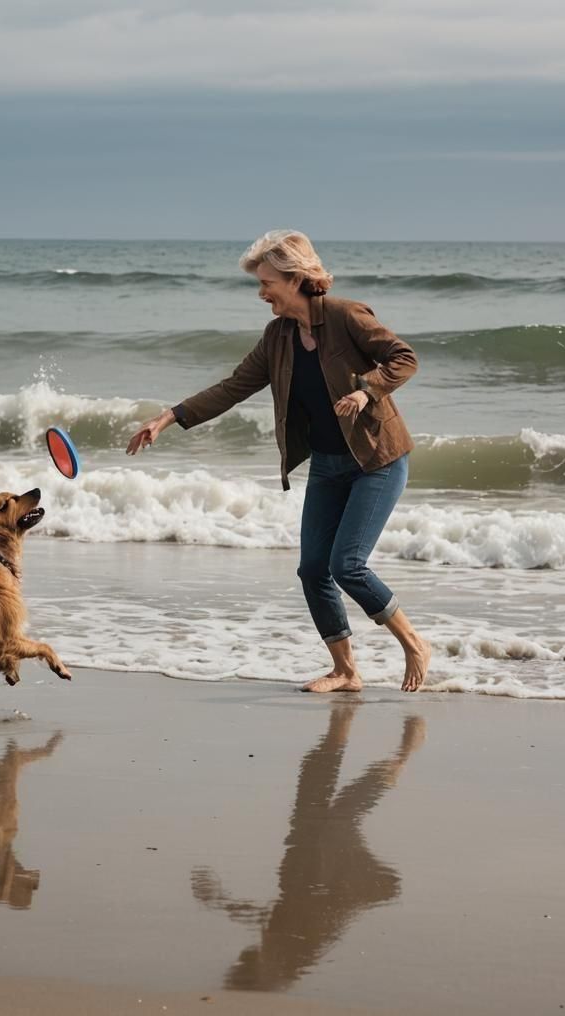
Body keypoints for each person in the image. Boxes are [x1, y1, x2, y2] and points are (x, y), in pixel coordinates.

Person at [125, 230, 430, 693]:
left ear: (296, 279)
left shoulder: (347, 316)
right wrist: (168, 418)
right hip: (328, 464)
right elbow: (233, 387)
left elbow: (404, 357)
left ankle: (413, 643)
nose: (261, 292)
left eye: (266, 282)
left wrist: (367, 390)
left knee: (347, 564)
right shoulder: (279, 337)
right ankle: (346, 671)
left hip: (376, 459)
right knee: (313, 568)